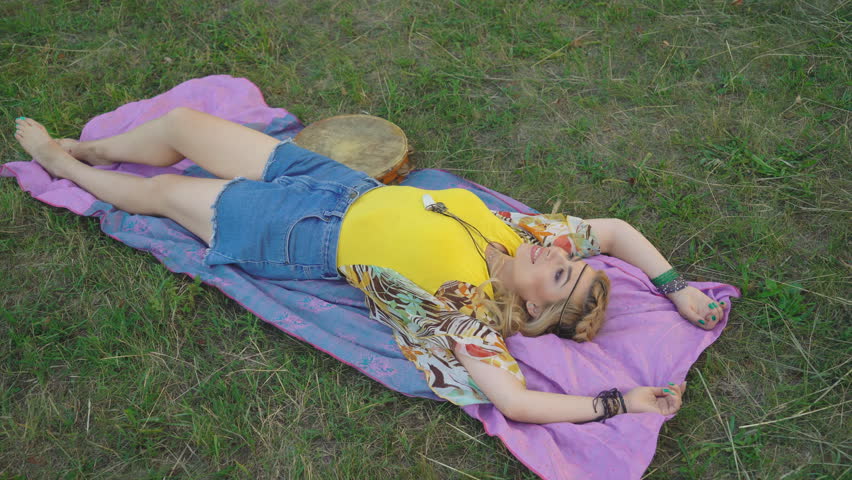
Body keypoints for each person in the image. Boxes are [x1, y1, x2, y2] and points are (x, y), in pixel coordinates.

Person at [13, 110, 727, 424]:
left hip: (300, 238)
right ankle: (98, 149)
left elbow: (517, 403)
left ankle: (57, 163)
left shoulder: (465, 311)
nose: (560, 253)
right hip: (337, 187)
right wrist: (676, 289)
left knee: (163, 194)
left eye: (562, 275)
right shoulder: (520, 234)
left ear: (536, 313)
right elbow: (615, 229)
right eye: (570, 260)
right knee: (180, 128)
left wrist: (621, 402)